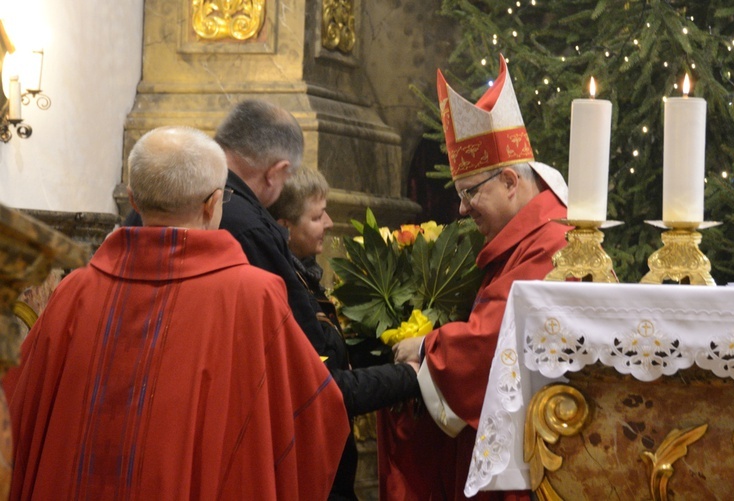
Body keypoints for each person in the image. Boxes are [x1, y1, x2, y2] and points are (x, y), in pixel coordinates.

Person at [4, 126, 349, 500]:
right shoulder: (252, 296)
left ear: (134, 201)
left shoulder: (74, 292)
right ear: (212, 203)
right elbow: (313, 413)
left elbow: (20, 410)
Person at [381, 55, 570, 500]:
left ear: (509, 180)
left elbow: (496, 342)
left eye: (470, 193)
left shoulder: (554, 241)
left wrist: (425, 346)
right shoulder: (523, 236)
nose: (462, 209)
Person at [213, 101, 420, 500]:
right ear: (277, 174)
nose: (326, 224)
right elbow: (309, 377)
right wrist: (409, 375)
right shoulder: (251, 229)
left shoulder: (204, 200)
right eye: (317, 215)